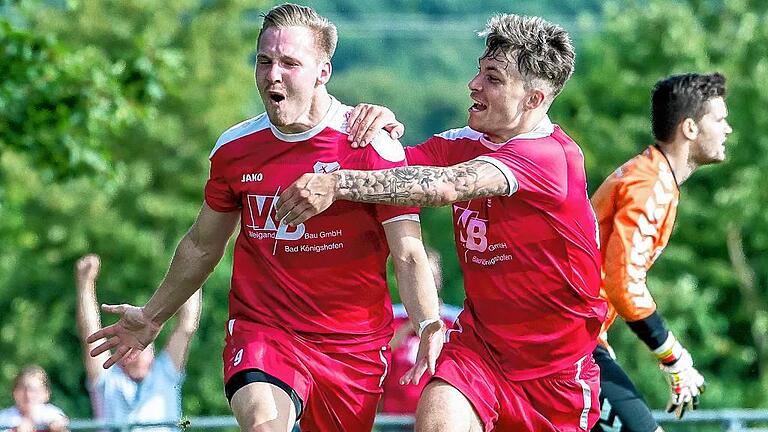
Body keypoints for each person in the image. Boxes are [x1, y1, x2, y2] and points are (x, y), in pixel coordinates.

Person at [85, 4, 444, 432]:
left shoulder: (370, 146)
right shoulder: (235, 149)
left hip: (352, 347)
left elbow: (407, 252)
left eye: (290, 63)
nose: (273, 74)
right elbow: (202, 244)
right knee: (264, 423)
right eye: (264, 60)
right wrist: (154, 315)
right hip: (264, 330)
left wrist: (428, 323)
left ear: (323, 71)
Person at [276, 13, 606, 432]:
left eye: (493, 77)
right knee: (435, 418)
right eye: (478, 71)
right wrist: (372, 126)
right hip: (479, 353)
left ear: (534, 100)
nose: (474, 84)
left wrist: (336, 184)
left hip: (554, 376)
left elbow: (444, 187)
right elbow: (390, 167)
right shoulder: (462, 143)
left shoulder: (550, 157)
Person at [589, 73, 730, 432]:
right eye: (719, 119)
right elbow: (624, 284)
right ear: (690, 129)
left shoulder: (652, 175)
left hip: (577, 336)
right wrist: (674, 358)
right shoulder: (651, 184)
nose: (727, 129)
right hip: (563, 340)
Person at [75, 254, 201, 432]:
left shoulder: (165, 372)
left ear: (153, 352)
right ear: (118, 353)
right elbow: (90, 334)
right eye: (129, 348)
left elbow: (187, 326)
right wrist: (85, 283)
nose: (136, 354)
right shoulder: (108, 378)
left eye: (142, 347)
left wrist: (194, 270)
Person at [380, 249, 461, 417]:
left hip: (439, 412)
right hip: (395, 415)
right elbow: (383, 352)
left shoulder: (455, 318)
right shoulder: (392, 316)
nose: (426, 283)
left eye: (432, 277)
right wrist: (417, 321)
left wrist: (437, 324)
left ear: (439, 280)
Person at [0, 366, 68, 432]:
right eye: (23, 389)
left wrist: (59, 429)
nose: (28, 395)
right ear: (14, 392)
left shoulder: (53, 415)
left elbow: (61, 422)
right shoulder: (4, 419)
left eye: (34, 390)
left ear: (46, 394)